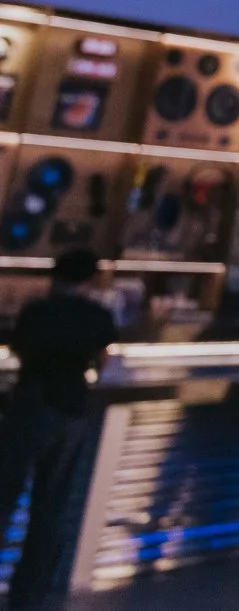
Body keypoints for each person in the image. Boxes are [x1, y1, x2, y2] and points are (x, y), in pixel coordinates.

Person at [0, 250, 118, 608]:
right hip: (72, 412)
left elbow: (19, 349)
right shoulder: (98, 315)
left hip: (30, 407)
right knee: (50, 508)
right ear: (90, 279)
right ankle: (27, 595)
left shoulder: (36, 311)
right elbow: (103, 360)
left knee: (4, 497)